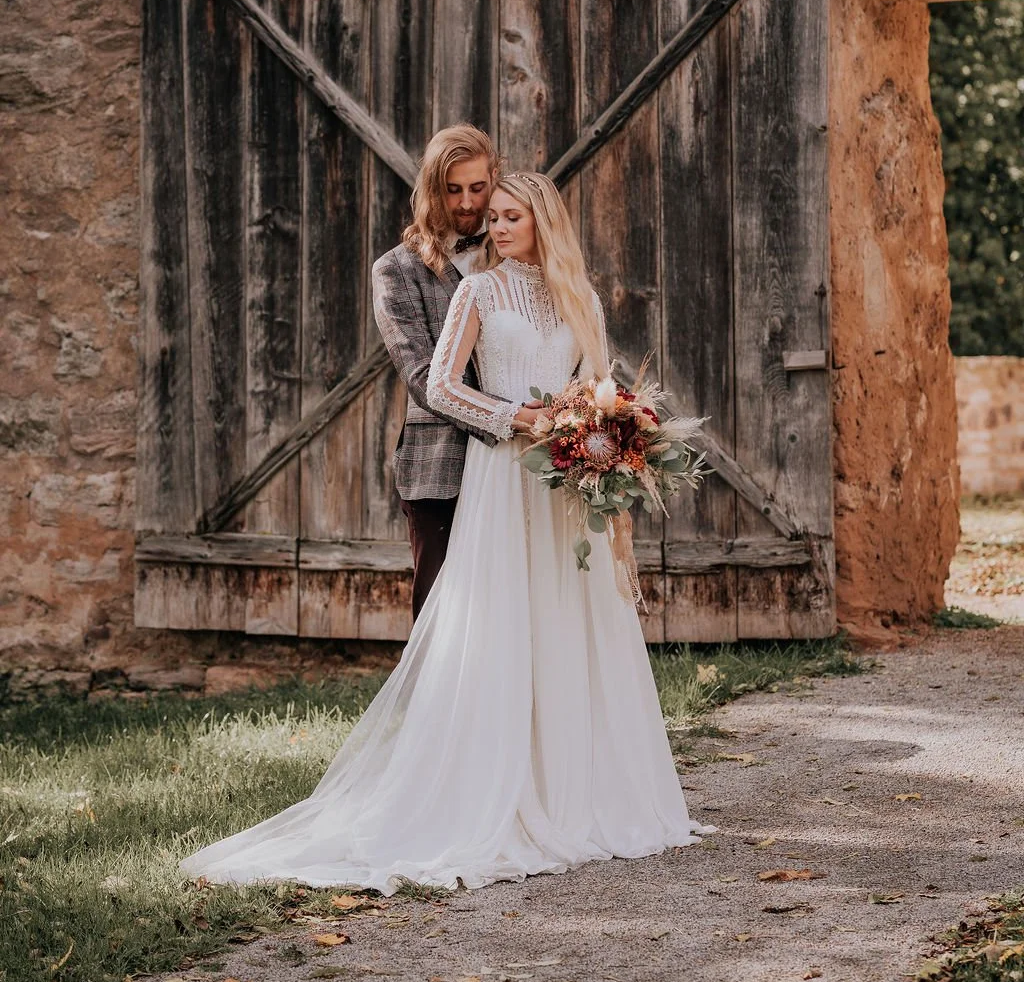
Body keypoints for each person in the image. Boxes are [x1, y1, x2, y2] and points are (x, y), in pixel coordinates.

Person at [180, 171, 711, 893]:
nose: (495, 227)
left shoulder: (580, 297)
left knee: (568, 624)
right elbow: (439, 384)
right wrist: (516, 419)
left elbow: (597, 386)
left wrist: (601, 427)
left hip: (563, 489)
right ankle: (493, 792)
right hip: (502, 476)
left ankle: (579, 792)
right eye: (491, 217)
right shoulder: (478, 292)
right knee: (502, 626)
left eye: (510, 216)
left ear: (543, 221)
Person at [370, 124, 534, 618]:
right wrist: (510, 419)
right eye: (452, 189)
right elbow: (422, 377)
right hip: (438, 469)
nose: (466, 203)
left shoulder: (513, 252)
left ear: (495, 178)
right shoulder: (395, 270)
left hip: (521, 467)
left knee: (514, 611)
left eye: (477, 188)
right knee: (442, 620)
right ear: (431, 188)